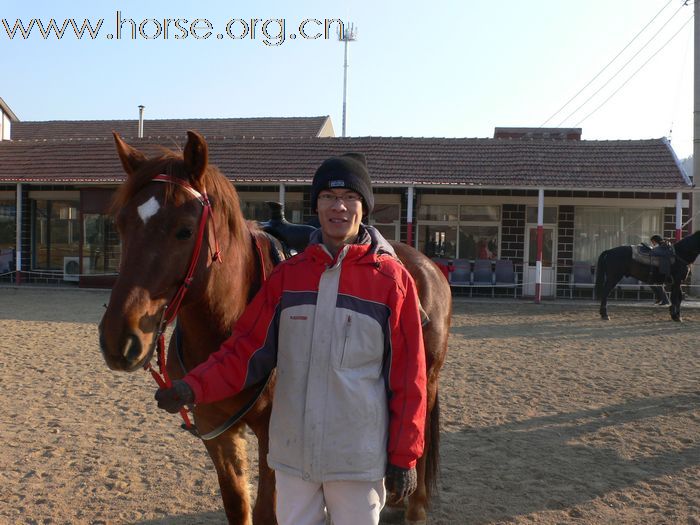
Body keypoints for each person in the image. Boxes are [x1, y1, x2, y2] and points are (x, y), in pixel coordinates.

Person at [155, 153, 427, 525]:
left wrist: (404, 455)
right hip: (293, 460)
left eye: (350, 197)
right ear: (315, 205)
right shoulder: (288, 277)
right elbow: (244, 350)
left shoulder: (392, 282)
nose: (340, 207)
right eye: (329, 198)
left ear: (364, 207)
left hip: (356, 461)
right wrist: (192, 388)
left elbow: (409, 378)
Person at [649, 235, 670, 305]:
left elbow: (653, 252)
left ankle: (665, 300)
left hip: (663, 268)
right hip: (663, 268)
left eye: (652, 242)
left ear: (655, 240)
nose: (652, 243)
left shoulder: (662, 246)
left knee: (659, 284)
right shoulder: (664, 244)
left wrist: (652, 250)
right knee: (656, 284)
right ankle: (661, 298)